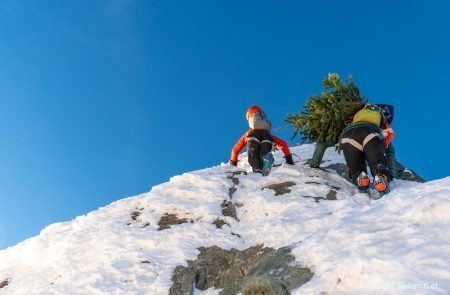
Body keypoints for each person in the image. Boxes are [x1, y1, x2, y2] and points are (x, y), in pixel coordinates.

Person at [338, 104, 394, 195]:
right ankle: (381, 178)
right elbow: (390, 150)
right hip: (370, 131)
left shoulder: (359, 112)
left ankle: (361, 179)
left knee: (355, 169)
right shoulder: (379, 112)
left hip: (347, 135)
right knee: (377, 163)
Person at [230, 106, 294, 172]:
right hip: (267, 137)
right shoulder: (269, 134)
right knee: (263, 154)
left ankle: (257, 170)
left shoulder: (248, 133)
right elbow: (283, 143)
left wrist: (233, 164)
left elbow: (235, 149)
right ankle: (266, 160)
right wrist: (289, 159)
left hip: (252, 137)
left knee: (253, 157)